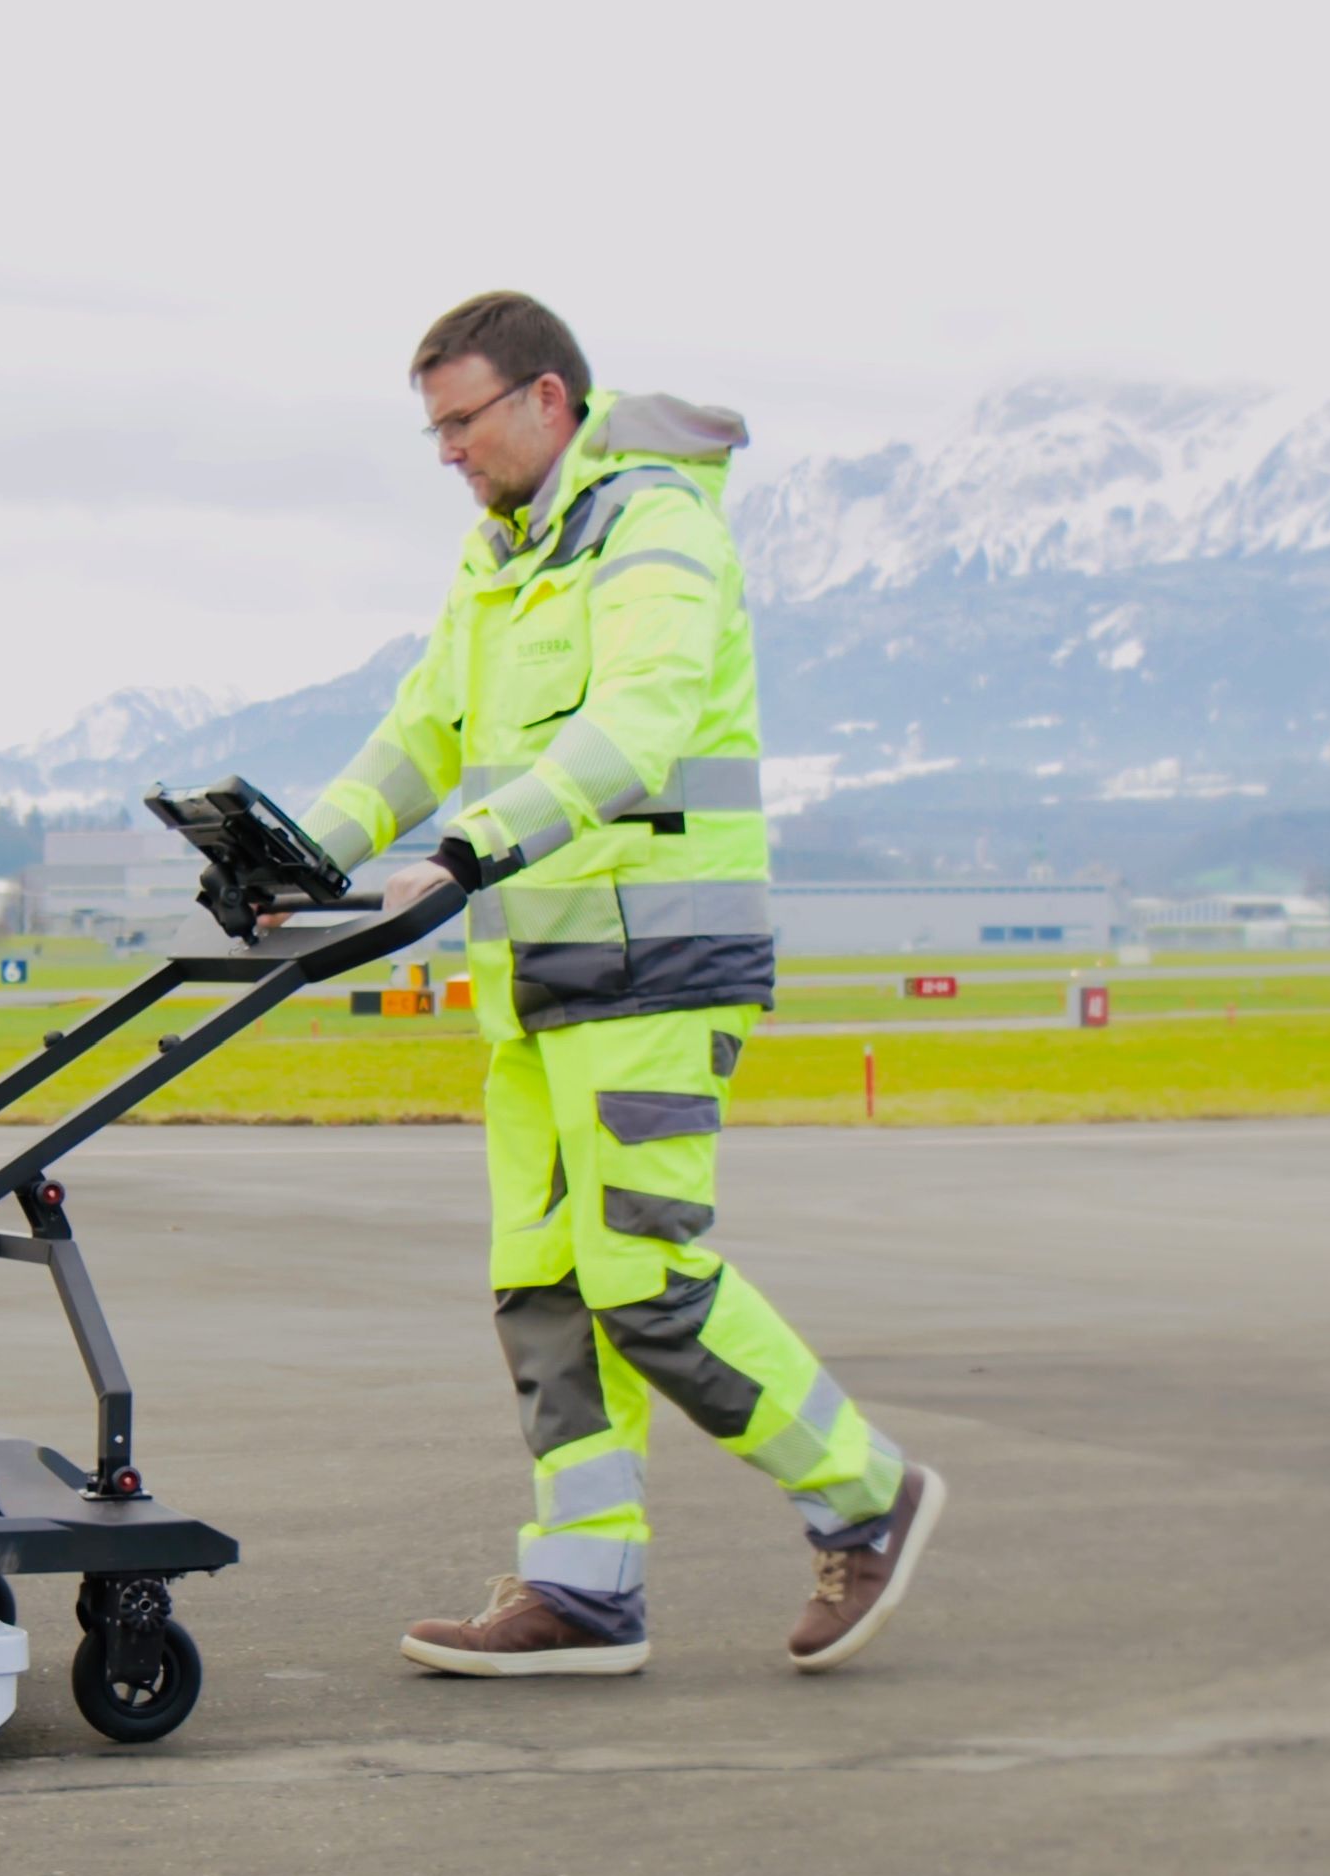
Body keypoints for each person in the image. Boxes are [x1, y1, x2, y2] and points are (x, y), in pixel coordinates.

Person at [294, 291, 947, 1678]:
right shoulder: (499, 563)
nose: (450, 454)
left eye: (463, 423)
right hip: (534, 980)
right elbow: (420, 734)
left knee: (642, 1274)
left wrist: (464, 852)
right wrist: (302, 856)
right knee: (542, 1283)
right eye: (435, 433)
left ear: (549, 400)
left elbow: (637, 725)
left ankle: (864, 1494)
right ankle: (584, 1587)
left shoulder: (657, 529)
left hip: (657, 965)